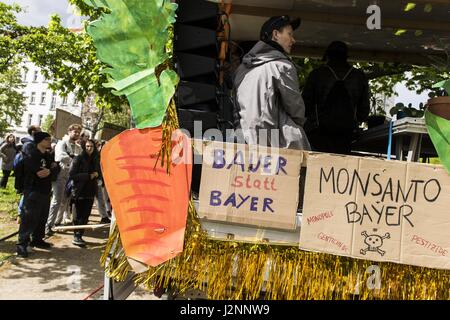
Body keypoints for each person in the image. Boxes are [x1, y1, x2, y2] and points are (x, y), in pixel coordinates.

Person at [233, 15, 310, 150]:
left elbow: (235, 107)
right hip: (274, 144)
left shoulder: (242, 69)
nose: (293, 40)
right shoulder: (282, 66)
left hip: (243, 139)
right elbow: (296, 110)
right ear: (275, 35)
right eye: (290, 34)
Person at [302, 41, 370, 154]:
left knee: (318, 166)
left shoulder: (317, 74)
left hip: (319, 133)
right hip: (346, 133)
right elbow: (363, 111)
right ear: (346, 56)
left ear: (328, 56)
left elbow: (305, 105)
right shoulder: (359, 76)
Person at [16, 132, 58, 258]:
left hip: (45, 190)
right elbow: (39, 173)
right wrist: (50, 170)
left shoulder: (48, 155)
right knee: (29, 218)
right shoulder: (31, 154)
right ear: (40, 141)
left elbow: (56, 168)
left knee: (42, 217)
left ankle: (37, 239)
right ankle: (22, 244)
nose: (50, 141)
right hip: (33, 190)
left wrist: (50, 170)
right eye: (47, 139)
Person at [45, 124, 82, 236]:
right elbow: (60, 156)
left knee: (65, 201)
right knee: (56, 200)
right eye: (75, 132)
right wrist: (74, 159)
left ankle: (58, 221)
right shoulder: (62, 143)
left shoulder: (78, 147)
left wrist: (74, 160)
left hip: (71, 176)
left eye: (78, 132)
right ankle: (49, 225)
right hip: (60, 175)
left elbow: (80, 160)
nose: (76, 134)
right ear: (69, 131)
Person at [69, 139, 100, 246]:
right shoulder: (78, 158)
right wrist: (88, 176)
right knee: (78, 215)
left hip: (91, 190)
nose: (89, 148)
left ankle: (80, 235)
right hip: (79, 190)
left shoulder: (96, 159)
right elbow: (72, 174)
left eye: (91, 146)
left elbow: (99, 173)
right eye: (87, 146)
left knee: (86, 215)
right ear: (84, 147)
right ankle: (76, 235)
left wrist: (97, 175)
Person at [95, 140, 111, 224]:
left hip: (103, 179)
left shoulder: (107, 156)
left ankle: (104, 216)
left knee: (102, 199)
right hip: (96, 179)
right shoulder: (96, 156)